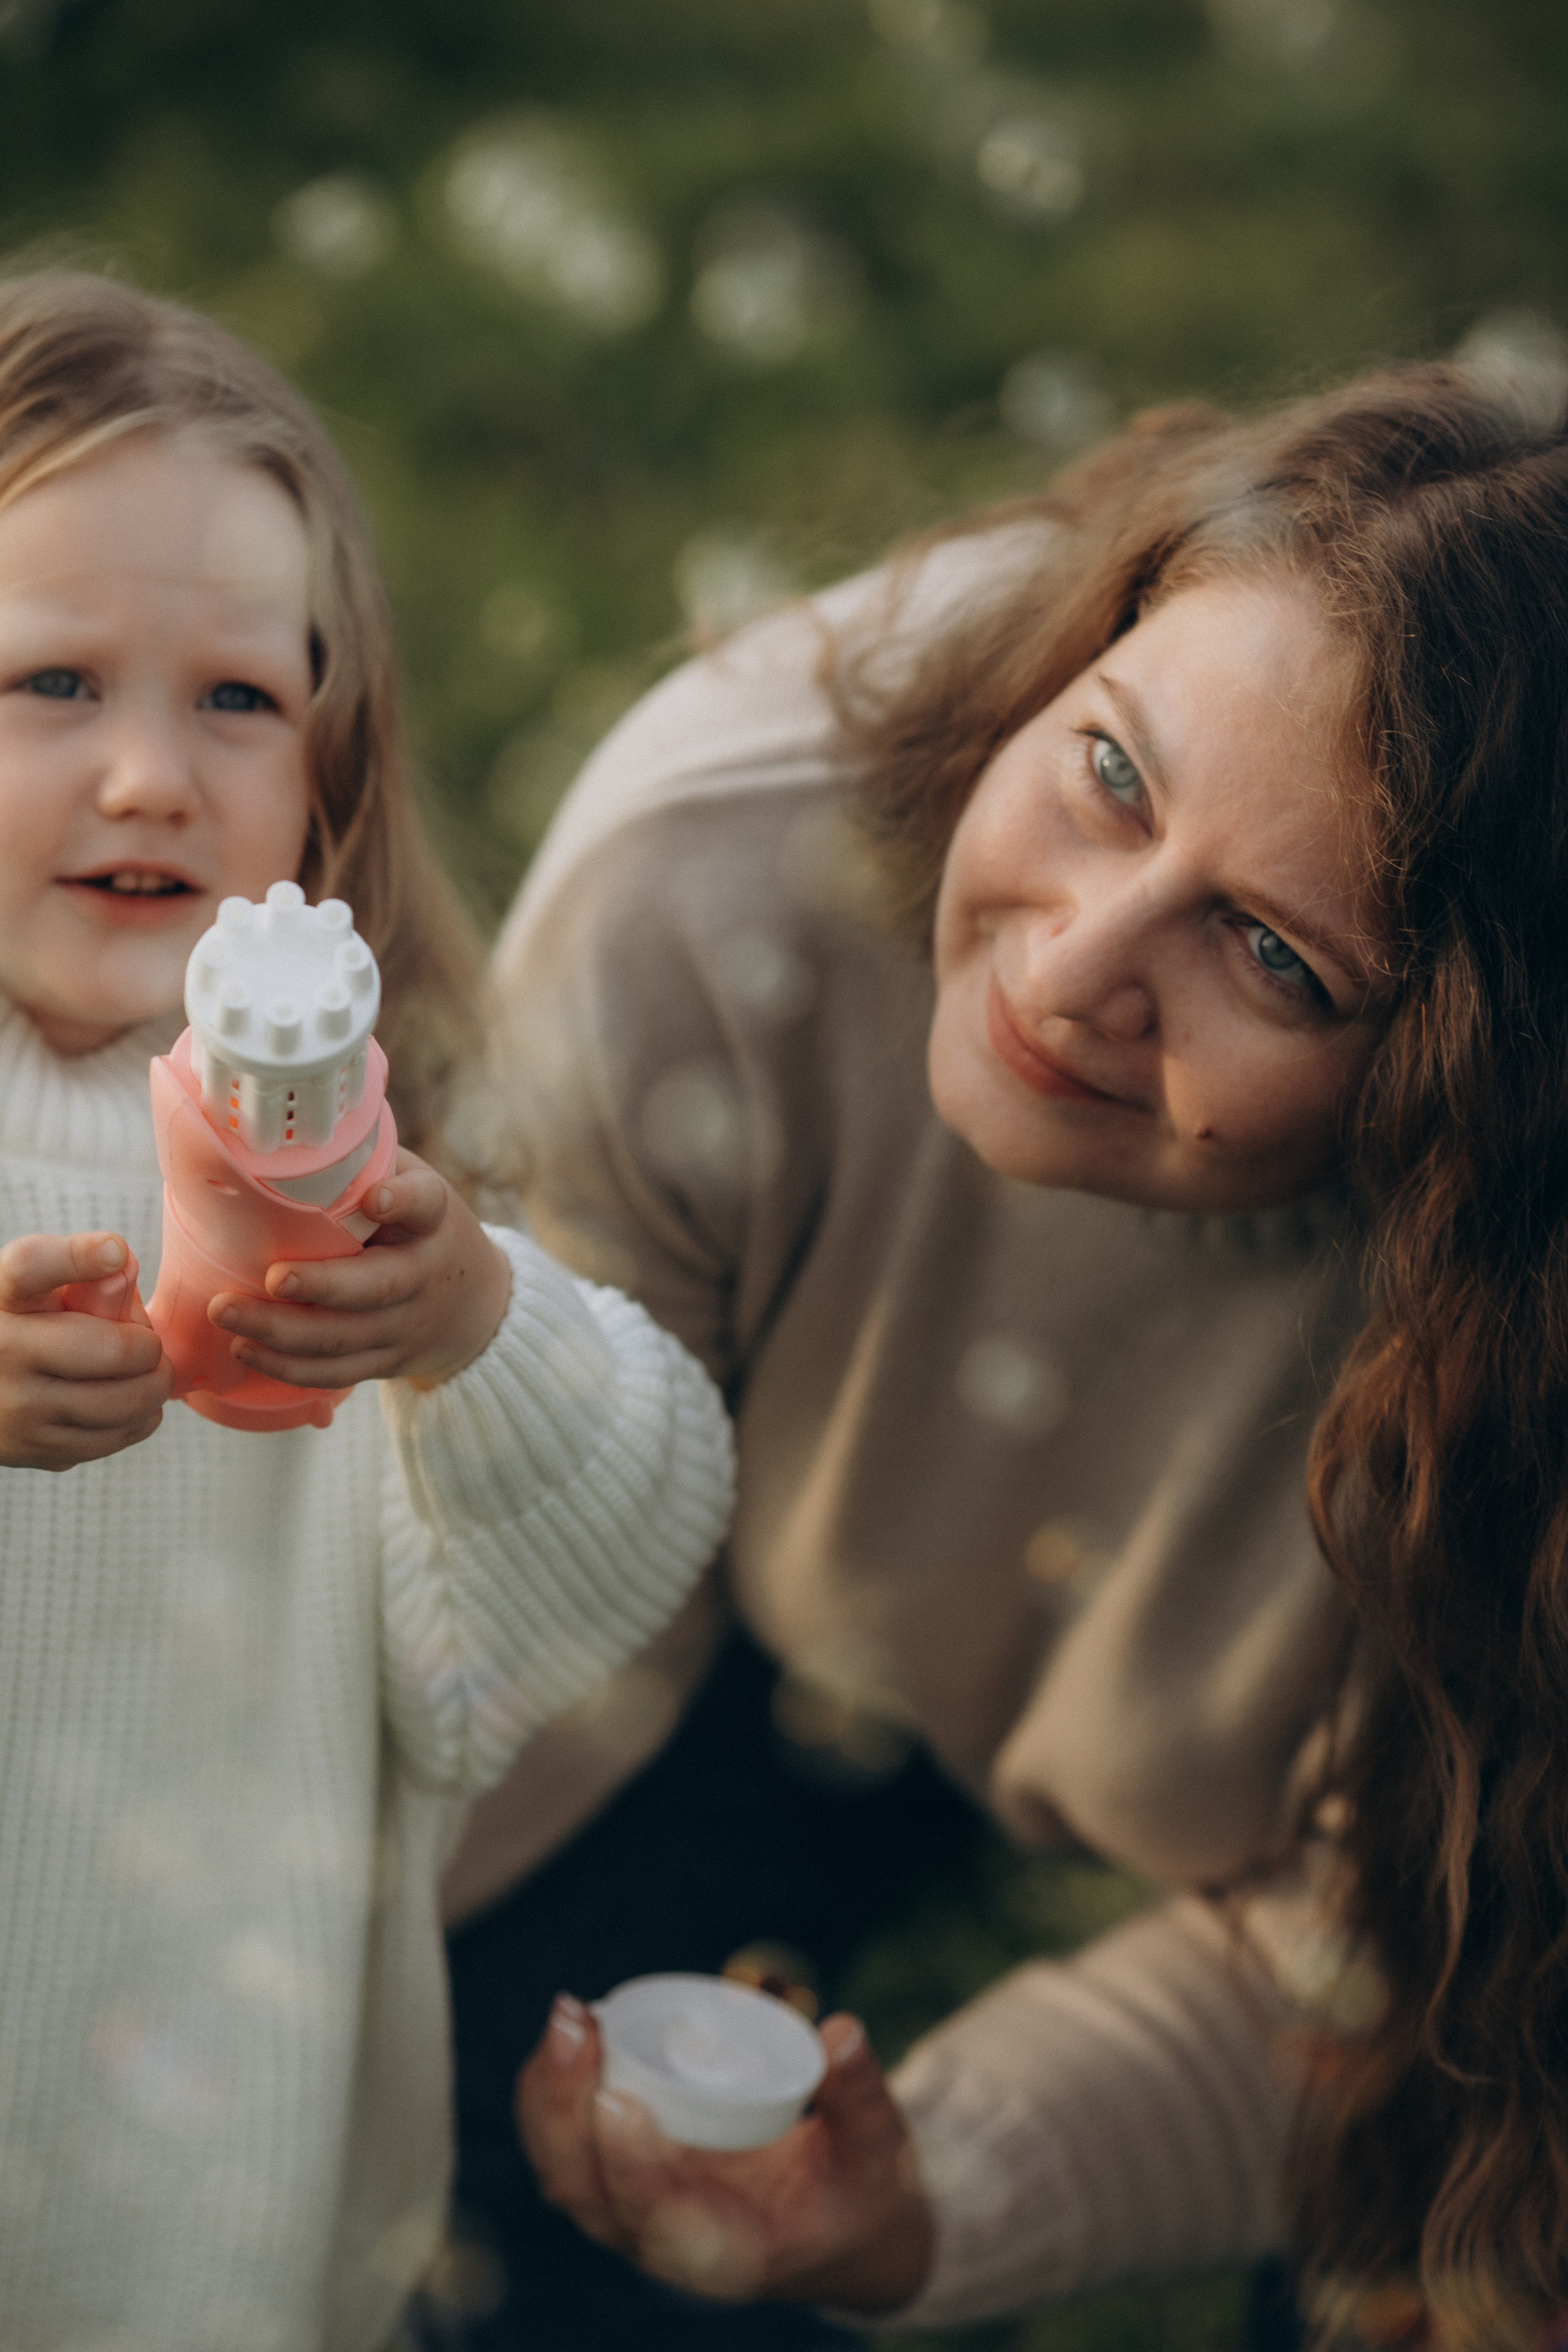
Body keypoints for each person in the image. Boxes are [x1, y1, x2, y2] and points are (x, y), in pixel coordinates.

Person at [463, 363, 1568, 2352]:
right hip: (704, 1602)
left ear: (1463, 1103)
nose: (1065, 969)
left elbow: (1389, 1974)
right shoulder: (718, 883)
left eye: (1278, 958)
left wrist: (922, 2201)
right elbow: (502, 1609)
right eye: (1113, 774)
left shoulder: (1525, 1354)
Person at [0, 270, 736, 2352]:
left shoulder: (356, 1199)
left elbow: (589, 1571)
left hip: (190, 2243)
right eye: (53, 681)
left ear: (332, 771)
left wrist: (474, 1322)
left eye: (237, 698)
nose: (151, 775)